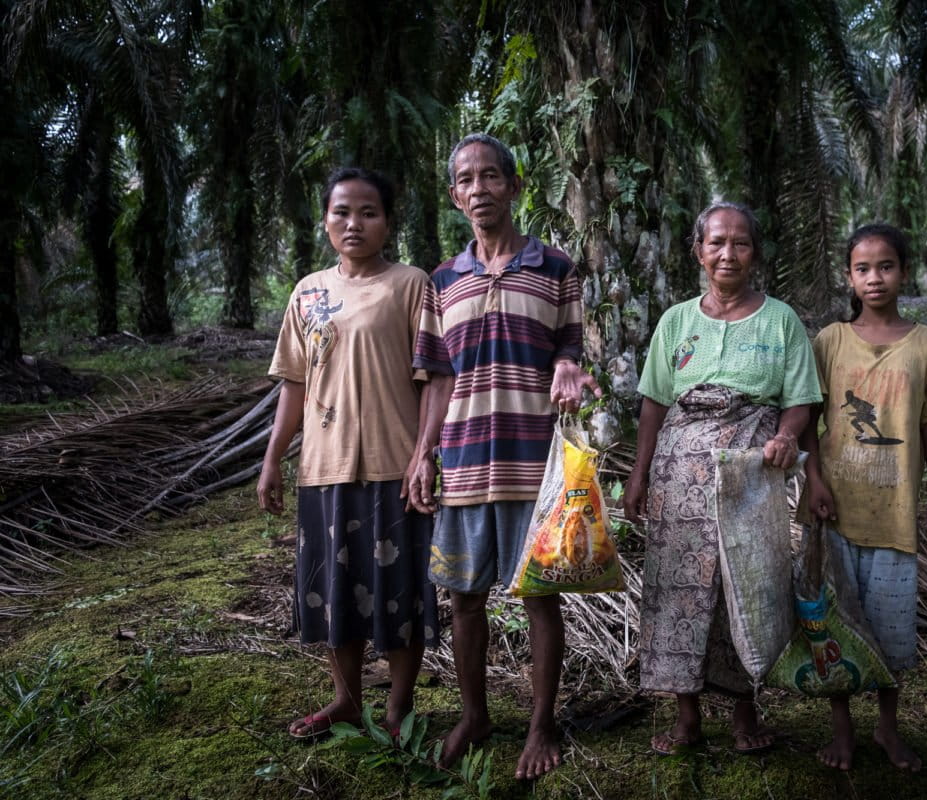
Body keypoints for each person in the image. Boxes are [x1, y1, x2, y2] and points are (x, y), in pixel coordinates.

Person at [406, 133, 601, 780]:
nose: (480, 189)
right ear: (455, 195)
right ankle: (475, 715)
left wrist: (570, 368)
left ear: (515, 187)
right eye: (466, 179)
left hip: (533, 462)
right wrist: (421, 454)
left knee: (540, 596)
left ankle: (542, 723)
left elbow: (570, 348)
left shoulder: (556, 269)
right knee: (463, 598)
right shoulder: (441, 281)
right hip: (462, 461)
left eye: (492, 177)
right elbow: (435, 378)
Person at [623, 201, 823, 756]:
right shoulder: (676, 322)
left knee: (747, 585)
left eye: (739, 242)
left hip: (749, 476)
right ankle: (686, 720)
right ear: (698, 251)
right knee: (678, 591)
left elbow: (802, 399)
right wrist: (639, 475)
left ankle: (744, 715)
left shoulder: (780, 320)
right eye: (716, 242)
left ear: (754, 253)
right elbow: (653, 404)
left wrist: (785, 435)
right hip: (677, 477)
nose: (727, 253)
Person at [257, 167, 438, 738]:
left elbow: (433, 377)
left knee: (400, 592)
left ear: (387, 222)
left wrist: (424, 456)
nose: (354, 223)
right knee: (334, 592)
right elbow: (293, 384)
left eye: (368, 212)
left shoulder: (411, 285)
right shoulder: (307, 292)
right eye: (342, 212)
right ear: (326, 220)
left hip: (395, 464)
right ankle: (347, 700)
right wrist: (272, 458)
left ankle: (398, 706)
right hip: (324, 467)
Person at [801, 223, 927, 772]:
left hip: (896, 514)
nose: (874, 278)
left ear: (904, 270)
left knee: (892, 631)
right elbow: (807, 416)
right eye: (862, 268)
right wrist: (814, 480)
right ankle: (843, 731)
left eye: (886, 266)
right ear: (848, 277)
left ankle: (887, 728)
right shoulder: (829, 341)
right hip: (836, 511)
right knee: (835, 624)